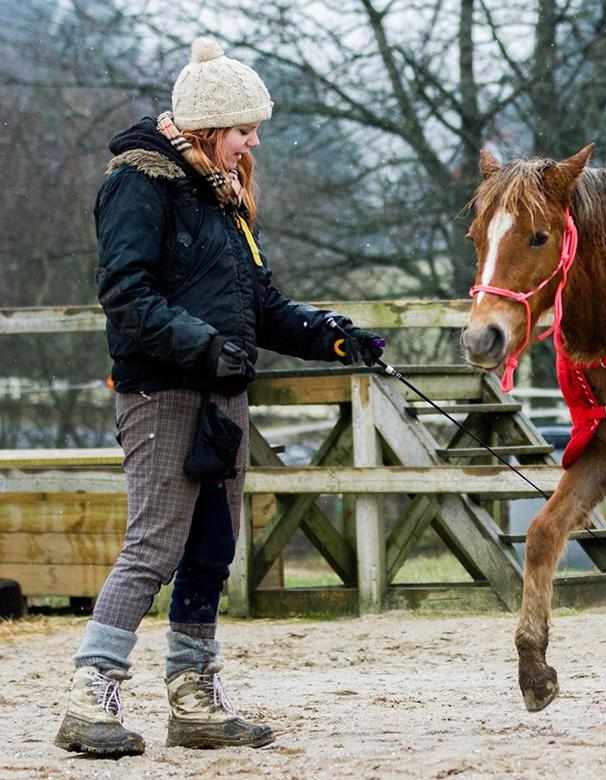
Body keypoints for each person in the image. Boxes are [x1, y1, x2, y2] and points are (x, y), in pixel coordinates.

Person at [54, 36, 384, 756]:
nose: (252, 141)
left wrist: (332, 336)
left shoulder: (221, 198)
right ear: (206, 128)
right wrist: (204, 344)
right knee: (154, 545)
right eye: (242, 129)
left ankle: (193, 695)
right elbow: (126, 295)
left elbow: (259, 305)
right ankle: (92, 690)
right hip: (163, 391)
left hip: (222, 395)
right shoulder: (138, 184)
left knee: (212, 548)